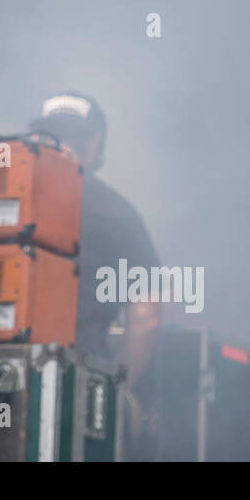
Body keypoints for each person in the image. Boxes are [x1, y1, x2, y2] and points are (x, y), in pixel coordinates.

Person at [27, 90, 162, 460]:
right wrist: (118, 389)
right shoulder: (119, 215)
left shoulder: (4, 190)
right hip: (80, 387)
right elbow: (146, 318)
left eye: (63, 138)